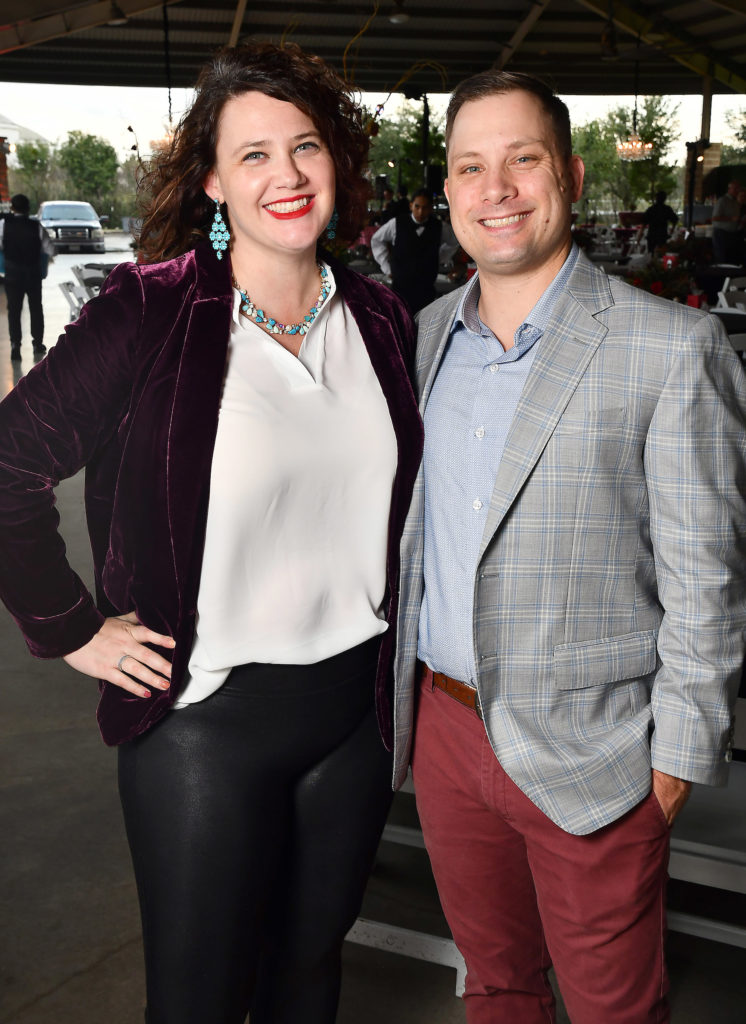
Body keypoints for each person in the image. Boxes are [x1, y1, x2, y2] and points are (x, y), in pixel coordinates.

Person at [0, 43, 423, 1024]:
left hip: (353, 717)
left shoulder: (380, 319)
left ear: (338, 164)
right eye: (254, 155)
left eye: (306, 147)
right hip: (205, 725)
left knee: (309, 981)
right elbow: (9, 464)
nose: (286, 176)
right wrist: (70, 627)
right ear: (211, 182)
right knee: (194, 1004)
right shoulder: (150, 311)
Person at [391, 69, 746, 1023]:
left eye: (523, 161)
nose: (496, 189)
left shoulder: (671, 347)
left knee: (613, 1009)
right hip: (449, 735)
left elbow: (707, 575)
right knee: (495, 984)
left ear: (572, 176)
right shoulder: (422, 340)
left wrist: (679, 756)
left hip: (599, 750)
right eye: (471, 166)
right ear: (449, 189)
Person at [371, 188, 459, 313]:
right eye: (417, 206)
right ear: (411, 205)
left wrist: (438, 258)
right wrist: (387, 267)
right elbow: (376, 240)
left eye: (425, 207)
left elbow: (454, 242)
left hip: (426, 288)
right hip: (400, 287)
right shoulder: (396, 223)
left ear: (431, 208)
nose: (420, 211)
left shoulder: (440, 226)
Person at [0, 192, 54, 360]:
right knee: (36, 308)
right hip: (33, 274)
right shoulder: (36, 226)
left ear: (12, 208)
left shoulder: (3, 224)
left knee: (14, 310)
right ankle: (37, 343)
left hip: (12, 274)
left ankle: (15, 344)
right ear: (28, 208)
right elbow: (51, 250)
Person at [711, 179, 743, 263]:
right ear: (729, 189)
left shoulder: (736, 202)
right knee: (722, 259)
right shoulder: (722, 201)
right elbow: (714, 218)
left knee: (731, 259)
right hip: (721, 234)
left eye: (738, 189)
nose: (737, 191)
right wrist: (731, 219)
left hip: (732, 234)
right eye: (735, 188)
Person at [640, 189, 677, 254]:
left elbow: (644, 223)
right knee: (661, 253)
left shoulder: (651, 209)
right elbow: (675, 220)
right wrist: (672, 230)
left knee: (651, 254)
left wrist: (639, 236)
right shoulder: (667, 209)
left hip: (652, 235)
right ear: (665, 199)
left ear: (656, 198)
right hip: (662, 235)